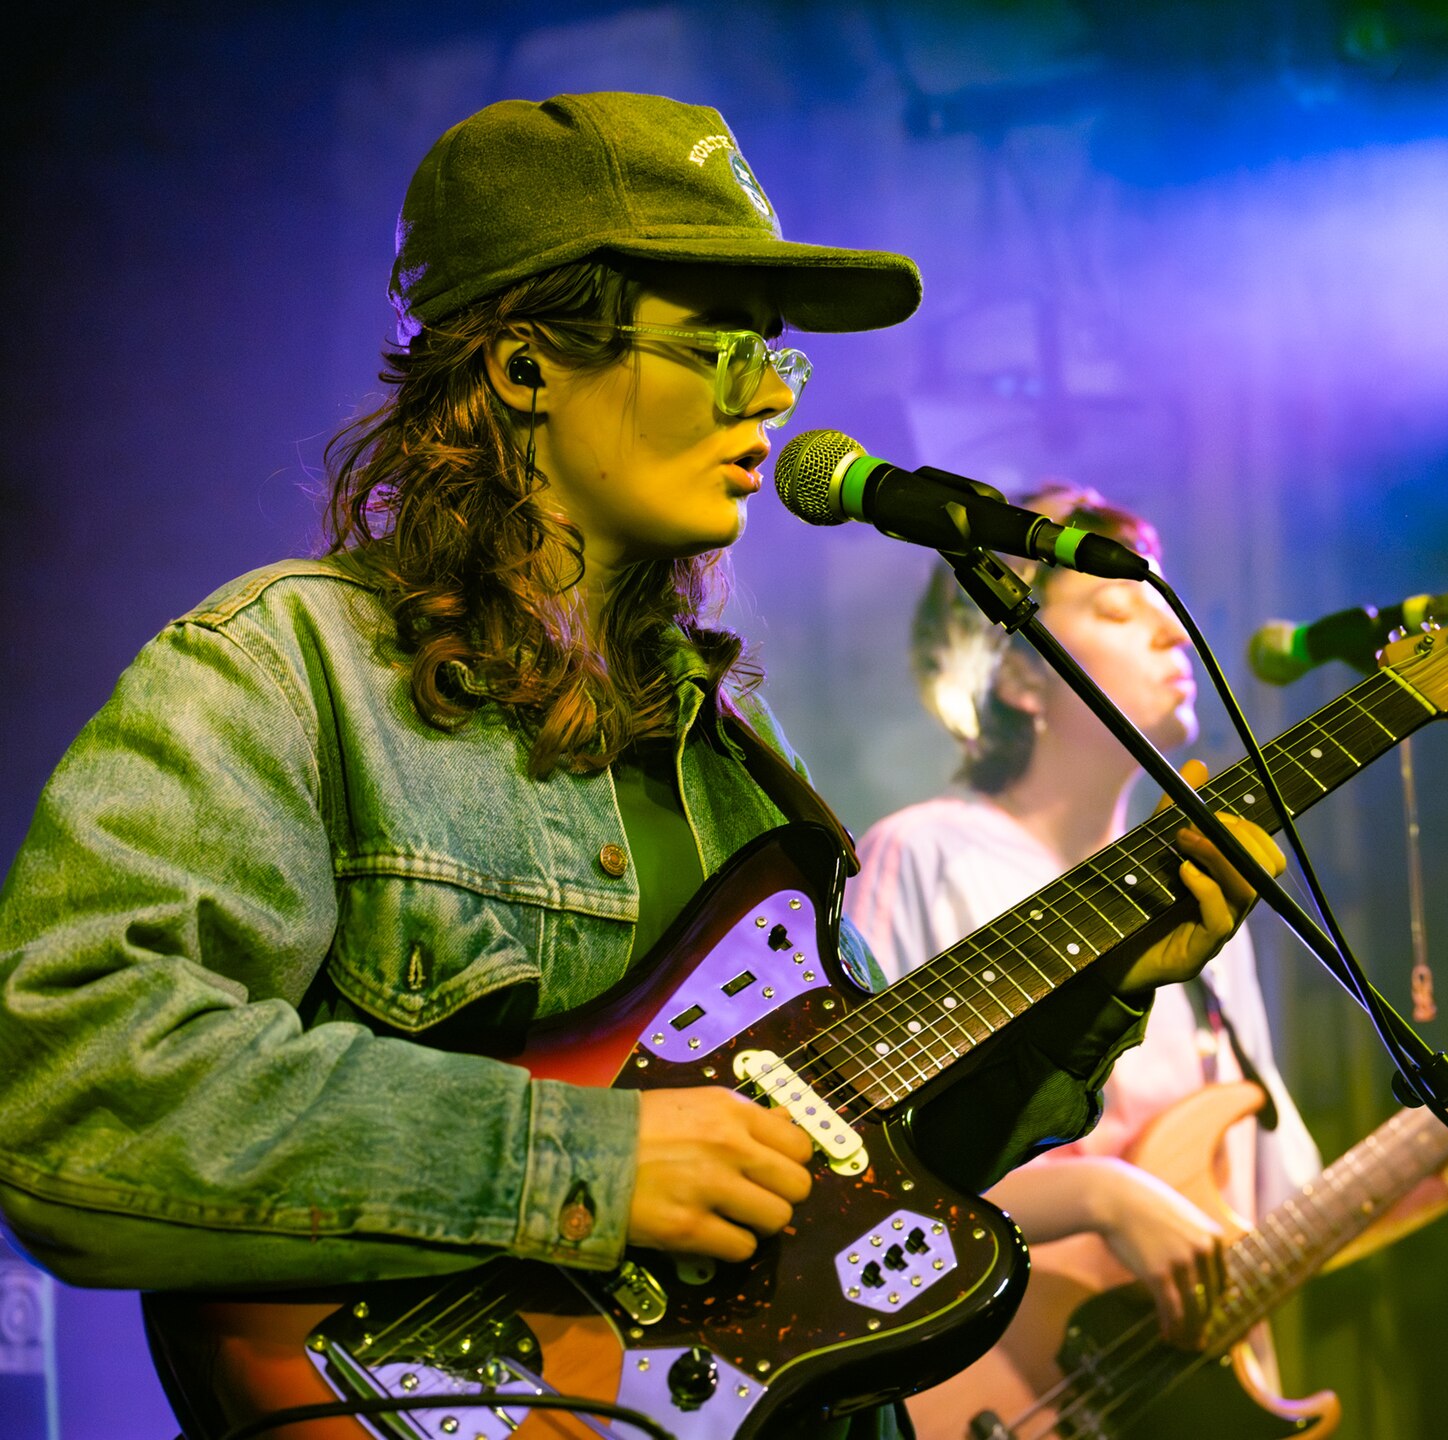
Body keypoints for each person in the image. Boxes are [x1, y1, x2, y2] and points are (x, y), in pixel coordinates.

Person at [0, 95, 1281, 1440]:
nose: (772, 406)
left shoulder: (734, 747)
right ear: (523, 367)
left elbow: (853, 1172)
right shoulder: (284, 673)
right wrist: (585, 1164)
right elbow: (72, 1093)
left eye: (777, 366)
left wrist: (1099, 990)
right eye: (720, 354)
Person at [846, 485, 1448, 1387]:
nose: (1173, 635)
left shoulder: (1196, 897)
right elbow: (858, 1172)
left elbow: (1269, 1227)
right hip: (992, 1388)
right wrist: (1101, 1194)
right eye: (1117, 607)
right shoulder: (922, 854)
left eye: (1167, 608)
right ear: (1019, 675)